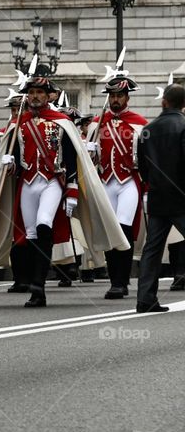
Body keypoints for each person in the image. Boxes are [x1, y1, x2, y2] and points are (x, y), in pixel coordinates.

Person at [0, 75, 128, 307]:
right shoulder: (18, 125)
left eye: (40, 93)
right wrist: (8, 161)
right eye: (31, 93)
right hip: (27, 182)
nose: (35, 96)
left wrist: (72, 189)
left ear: (47, 96)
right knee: (31, 232)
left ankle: (39, 285)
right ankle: (36, 287)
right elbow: (13, 157)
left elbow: (72, 158)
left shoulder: (61, 122)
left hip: (52, 180)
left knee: (45, 224)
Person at [86, 75, 148, 300]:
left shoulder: (139, 123)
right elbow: (87, 159)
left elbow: (148, 157)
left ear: (127, 98)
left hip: (128, 181)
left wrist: (147, 185)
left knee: (123, 227)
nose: (115, 99)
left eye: (119, 95)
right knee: (110, 230)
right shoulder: (97, 122)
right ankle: (114, 281)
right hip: (105, 181)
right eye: (112, 95)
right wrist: (89, 149)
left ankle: (123, 281)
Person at [135, 84, 185, 313]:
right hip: (181, 197)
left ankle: (145, 298)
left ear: (164, 101)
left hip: (157, 197)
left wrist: (154, 183)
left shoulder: (147, 129)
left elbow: (142, 167)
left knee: (152, 250)